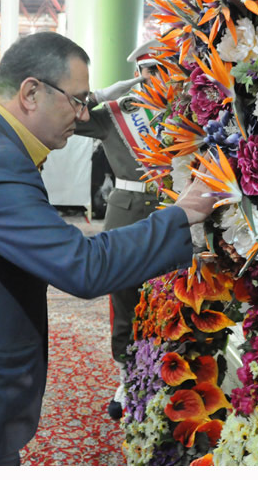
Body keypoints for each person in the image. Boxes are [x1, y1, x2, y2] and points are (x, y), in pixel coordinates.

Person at [0, 32, 215, 466]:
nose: (83, 114)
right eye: (77, 100)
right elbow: (83, 267)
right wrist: (182, 215)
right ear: (31, 93)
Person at [73, 39, 165, 420]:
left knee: (169, 296)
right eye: (149, 72)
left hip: (172, 211)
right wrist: (97, 95)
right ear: (137, 74)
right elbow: (70, 118)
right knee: (125, 297)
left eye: (162, 69)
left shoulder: (187, 112)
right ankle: (126, 376)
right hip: (127, 213)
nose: (156, 78)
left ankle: (163, 370)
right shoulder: (117, 113)